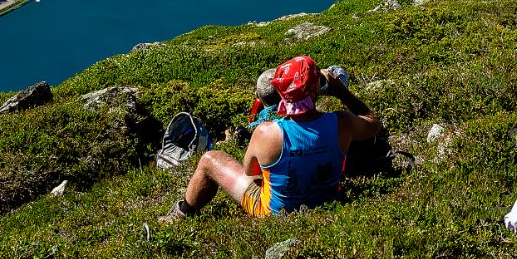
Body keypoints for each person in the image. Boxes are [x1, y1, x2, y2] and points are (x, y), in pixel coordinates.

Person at [163, 56, 381, 221]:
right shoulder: (342, 123)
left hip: (273, 213)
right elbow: (372, 122)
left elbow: (251, 172)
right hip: (328, 201)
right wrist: (341, 91)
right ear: (316, 89)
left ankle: (182, 213)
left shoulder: (266, 132)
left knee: (210, 159)